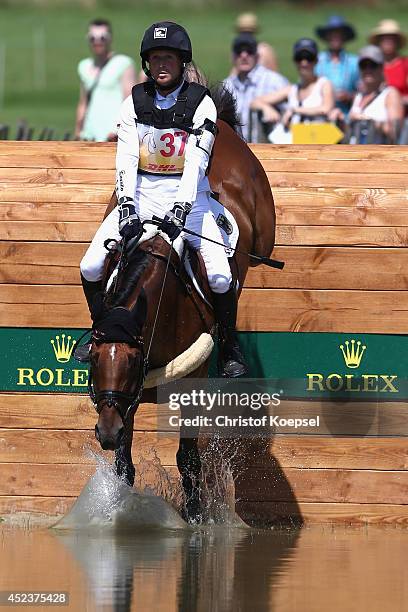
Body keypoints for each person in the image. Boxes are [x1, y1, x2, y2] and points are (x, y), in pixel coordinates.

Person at [77, 21, 247, 378]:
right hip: (142, 195)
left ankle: (229, 345)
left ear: (182, 62)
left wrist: (182, 209)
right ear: (147, 63)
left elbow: (196, 162)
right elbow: (125, 158)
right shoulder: (133, 102)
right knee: (90, 266)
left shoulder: (202, 106)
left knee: (218, 275)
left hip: (191, 200)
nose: (161, 65)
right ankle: (100, 330)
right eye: (155, 59)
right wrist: (126, 205)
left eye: (168, 58)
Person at [250, 38, 334, 143]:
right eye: (300, 58)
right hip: (296, 143)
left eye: (309, 58)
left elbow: (326, 109)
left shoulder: (324, 84)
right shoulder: (292, 89)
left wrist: (294, 110)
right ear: (295, 61)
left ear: (316, 60)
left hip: (319, 141)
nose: (304, 63)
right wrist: (266, 108)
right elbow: (254, 102)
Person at [75, 19, 136, 141]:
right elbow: (83, 102)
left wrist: (121, 130)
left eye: (102, 38)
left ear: (110, 38)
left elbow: (130, 102)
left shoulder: (123, 63)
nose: (97, 42)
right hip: (88, 135)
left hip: (112, 136)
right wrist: (78, 130)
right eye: (93, 38)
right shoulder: (84, 66)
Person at [223, 33, 288, 142]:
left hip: (269, 149)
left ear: (257, 56)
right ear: (233, 57)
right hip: (238, 152)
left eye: (249, 51)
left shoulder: (274, 81)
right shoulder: (226, 86)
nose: (244, 55)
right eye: (239, 51)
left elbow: (292, 113)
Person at [348, 45, 403, 140]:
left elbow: (396, 133)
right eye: (363, 66)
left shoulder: (390, 94)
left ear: (381, 67)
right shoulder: (359, 95)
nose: (368, 70)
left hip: (378, 152)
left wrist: (369, 122)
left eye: (372, 66)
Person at [315, 15, 359, 115]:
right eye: (332, 34)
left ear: (344, 37)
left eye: (339, 34)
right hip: (320, 115)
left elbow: (365, 92)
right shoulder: (316, 60)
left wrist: (349, 97)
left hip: (346, 116)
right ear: (326, 36)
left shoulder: (354, 62)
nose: (335, 37)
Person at [369, 19, 408, 110]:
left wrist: (396, 101)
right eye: (384, 38)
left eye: (391, 38)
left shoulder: (405, 64)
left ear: (397, 41)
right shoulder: (372, 66)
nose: (388, 41)